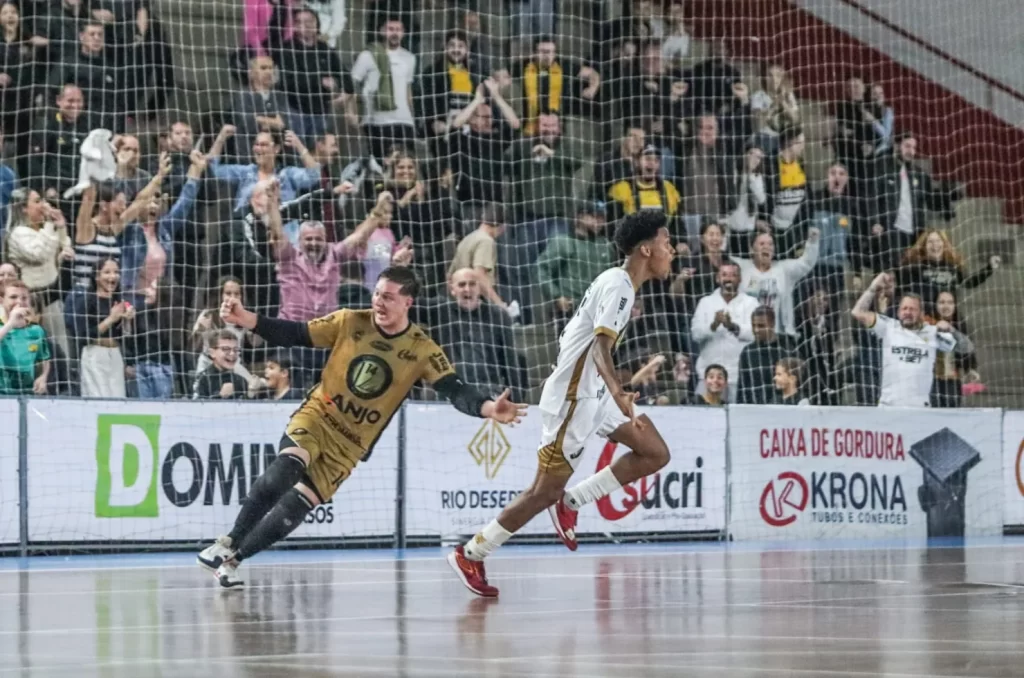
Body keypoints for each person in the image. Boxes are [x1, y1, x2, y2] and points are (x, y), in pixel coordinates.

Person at [197, 266, 525, 588]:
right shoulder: (350, 320)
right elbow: (296, 333)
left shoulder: (422, 348)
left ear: (408, 302)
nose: (379, 302)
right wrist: (247, 318)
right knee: (286, 469)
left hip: (351, 444)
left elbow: (455, 389)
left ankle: (233, 562)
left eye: (389, 297)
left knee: (296, 508)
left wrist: (487, 408)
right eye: (377, 294)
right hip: (319, 416)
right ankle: (227, 542)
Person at [446, 211, 675, 598]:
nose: (673, 250)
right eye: (667, 242)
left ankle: (573, 502)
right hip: (573, 399)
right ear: (646, 249)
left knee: (654, 452)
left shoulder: (618, 282)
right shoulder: (619, 286)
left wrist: (610, 392)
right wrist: (618, 389)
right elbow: (601, 346)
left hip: (593, 394)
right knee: (542, 492)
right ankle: (471, 552)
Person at [850, 272, 974, 408]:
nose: (907, 312)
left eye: (913, 309)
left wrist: (952, 330)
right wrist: (873, 286)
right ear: (898, 312)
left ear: (921, 313)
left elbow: (966, 348)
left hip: (920, 409)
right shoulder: (888, 327)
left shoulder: (932, 332)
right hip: (888, 407)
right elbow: (857, 312)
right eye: (904, 308)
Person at [0, 279, 50, 395]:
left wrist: (43, 377)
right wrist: (10, 324)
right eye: (13, 297)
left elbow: (44, 359)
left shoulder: (36, 331)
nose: (19, 302)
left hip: (26, 394)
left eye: (24, 298)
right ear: (1, 300)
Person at [192, 330, 250, 400]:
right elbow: (196, 408)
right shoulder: (202, 379)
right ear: (212, 353)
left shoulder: (241, 380)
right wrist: (220, 396)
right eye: (226, 349)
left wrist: (252, 393)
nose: (232, 353)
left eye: (235, 350)